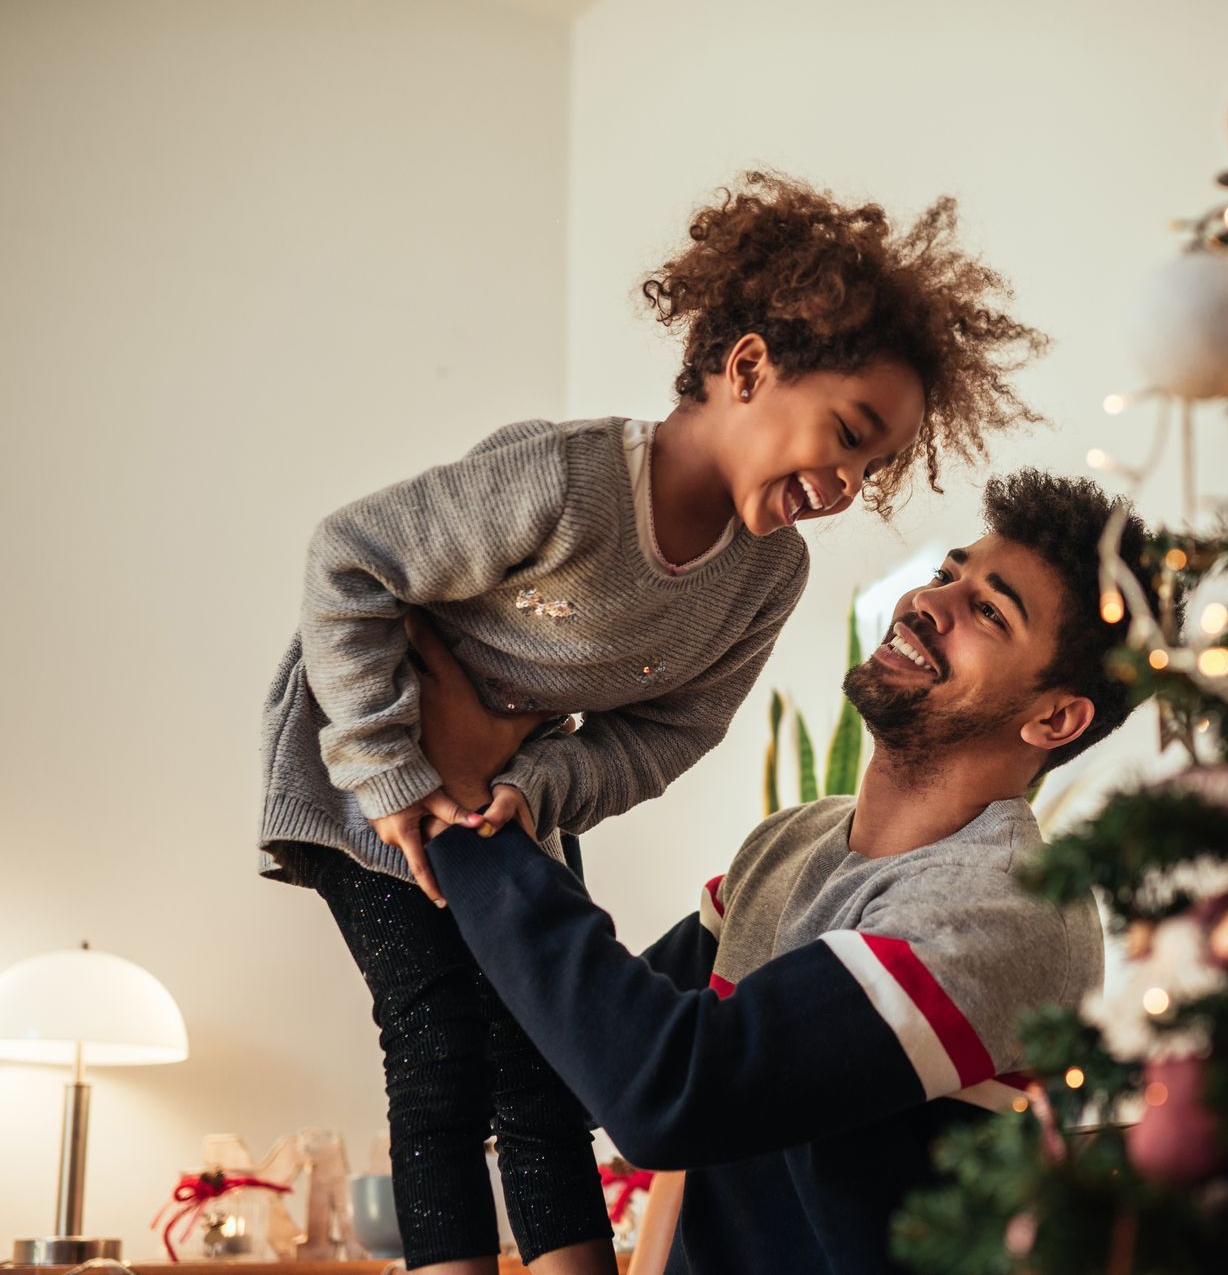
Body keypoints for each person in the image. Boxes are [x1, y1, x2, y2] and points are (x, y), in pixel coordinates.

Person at [255, 173, 1047, 1275]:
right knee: (436, 1057)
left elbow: (669, 738)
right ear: (750, 366)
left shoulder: (768, 576)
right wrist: (394, 768)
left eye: (876, 467)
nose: (852, 483)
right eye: (849, 435)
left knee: (538, 1063)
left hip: (509, 781)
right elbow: (347, 559)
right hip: (364, 765)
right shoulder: (564, 482)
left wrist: (527, 792)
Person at [416, 470, 1165, 1274]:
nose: (928, 603)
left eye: (988, 610)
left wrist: (466, 806)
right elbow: (583, 1047)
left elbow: (670, 1092)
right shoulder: (790, 845)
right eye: (948, 573)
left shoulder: (1005, 910)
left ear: (1055, 716)